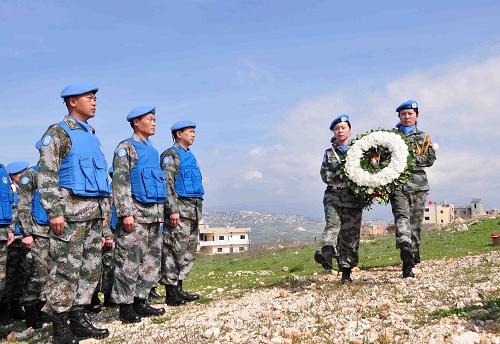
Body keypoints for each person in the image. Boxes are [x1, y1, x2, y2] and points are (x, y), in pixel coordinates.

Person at [38, 83, 111, 343]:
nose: (94, 102)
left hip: (92, 214)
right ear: (72, 102)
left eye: (94, 98)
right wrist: (54, 211)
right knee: (65, 270)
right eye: (88, 98)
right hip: (68, 214)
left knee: (89, 269)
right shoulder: (57, 133)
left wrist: (104, 214)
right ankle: (60, 326)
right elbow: (47, 174)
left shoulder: (91, 135)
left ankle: (79, 318)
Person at [111, 105, 166, 323]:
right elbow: (121, 182)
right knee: (129, 260)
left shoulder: (152, 150)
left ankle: (141, 301)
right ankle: (126, 307)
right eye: (149, 119)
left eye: (154, 119)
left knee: (150, 260)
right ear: (136, 122)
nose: (154, 123)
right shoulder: (126, 147)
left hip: (153, 214)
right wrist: (125, 213)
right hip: (136, 213)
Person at [314, 115, 365, 283]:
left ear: (349, 130)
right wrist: (341, 176)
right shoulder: (329, 153)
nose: (340, 130)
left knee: (350, 235)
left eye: (343, 127)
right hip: (333, 195)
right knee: (332, 225)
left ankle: (346, 272)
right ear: (333, 132)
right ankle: (327, 253)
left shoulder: (360, 150)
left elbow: (369, 170)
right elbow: (324, 174)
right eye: (336, 129)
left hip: (354, 198)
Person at [390, 100, 436, 278]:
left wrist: (409, 160)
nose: (407, 117)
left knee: (415, 223)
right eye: (403, 114)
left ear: (416, 115)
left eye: (410, 113)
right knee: (402, 218)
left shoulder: (423, 136)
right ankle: (406, 257)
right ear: (399, 116)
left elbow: (430, 159)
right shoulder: (391, 137)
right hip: (397, 186)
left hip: (418, 185)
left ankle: (414, 254)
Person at [160, 120, 204, 305]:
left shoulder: (190, 156)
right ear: (179, 134)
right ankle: (171, 292)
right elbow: (167, 184)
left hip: (193, 211)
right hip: (179, 211)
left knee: (187, 251)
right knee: (173, 251)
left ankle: (179, 287)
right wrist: (172, 210)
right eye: (190, 131)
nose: (193, 134)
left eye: (194, 131)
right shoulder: (171, 155)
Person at [16, 142, 51, 328]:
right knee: (35, 275)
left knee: (50, 275)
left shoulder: (57, 175)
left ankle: (42, 309)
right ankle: (31, 313)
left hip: (55, 233)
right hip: (37, 233)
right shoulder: (30, 175)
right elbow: (23, 205)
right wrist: (26, 233)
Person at [4, 161, 30, 323]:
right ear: (14, 176)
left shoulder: (26, 191)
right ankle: (5, 309)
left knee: (22, 274)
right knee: (9, 274)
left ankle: (16, 305)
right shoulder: (9, 191)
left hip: (24, 237)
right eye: (22, 174)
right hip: (12, 238)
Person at [0, 162, 15, 331]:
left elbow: (8, 202)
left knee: (2, 278)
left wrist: (10, 228)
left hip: (3, 229)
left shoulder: (2, 169)